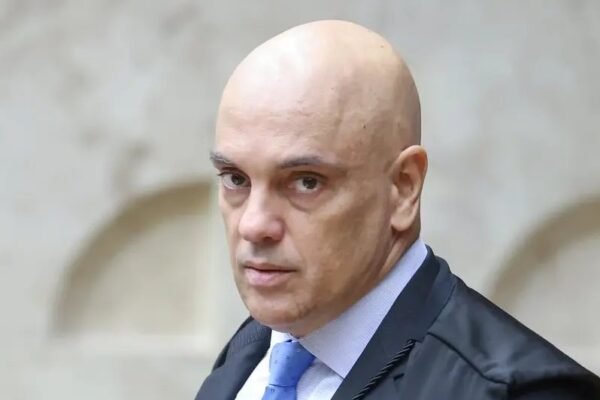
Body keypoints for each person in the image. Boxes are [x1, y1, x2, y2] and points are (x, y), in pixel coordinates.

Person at [196, 20, 600, 400]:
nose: (254, 225)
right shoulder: (254, 351)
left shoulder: (518, 392)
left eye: (306, 182)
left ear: (404, 188)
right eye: (236, 179)